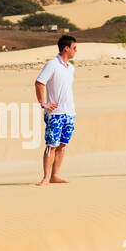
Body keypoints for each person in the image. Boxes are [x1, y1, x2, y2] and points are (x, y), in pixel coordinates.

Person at [34, 35, 77, 185]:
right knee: (51, 145)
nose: (75, 51)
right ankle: (46, 177)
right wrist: (43, 103)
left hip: (69, 112)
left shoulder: (71, 67)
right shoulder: (52, 64)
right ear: (66, 48)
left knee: (62, 145)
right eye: (74, 48)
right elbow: (39, 83)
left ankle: (55, 175)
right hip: (55, 114)